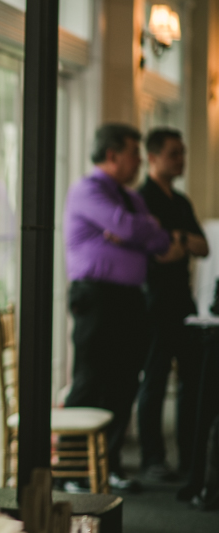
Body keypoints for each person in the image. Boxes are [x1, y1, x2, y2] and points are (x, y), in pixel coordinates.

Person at [63, 123, 175, 492]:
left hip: (130, 300)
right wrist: (138, 229)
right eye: (133, 153)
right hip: (95, 297)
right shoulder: (87, 189)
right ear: (113, 155)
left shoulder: (129, 197)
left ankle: (106, 465)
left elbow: (158, 240)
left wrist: (136, 229)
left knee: (124, 383)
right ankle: (72, 472)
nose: (140, 161)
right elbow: (134, 230)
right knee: (89, 382)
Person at [136, 128, 209, 482]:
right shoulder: (141, 199)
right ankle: (152, 457)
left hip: (184, 300)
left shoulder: (180, 202)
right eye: (173, 154)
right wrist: (177, 243)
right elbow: (157, 253)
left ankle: (190, 453)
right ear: (153, 157)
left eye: (182, 153)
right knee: (155, 377)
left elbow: (202, 247)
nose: (180, 160)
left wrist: (174, 237)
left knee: (193, 379)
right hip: (152, 300)